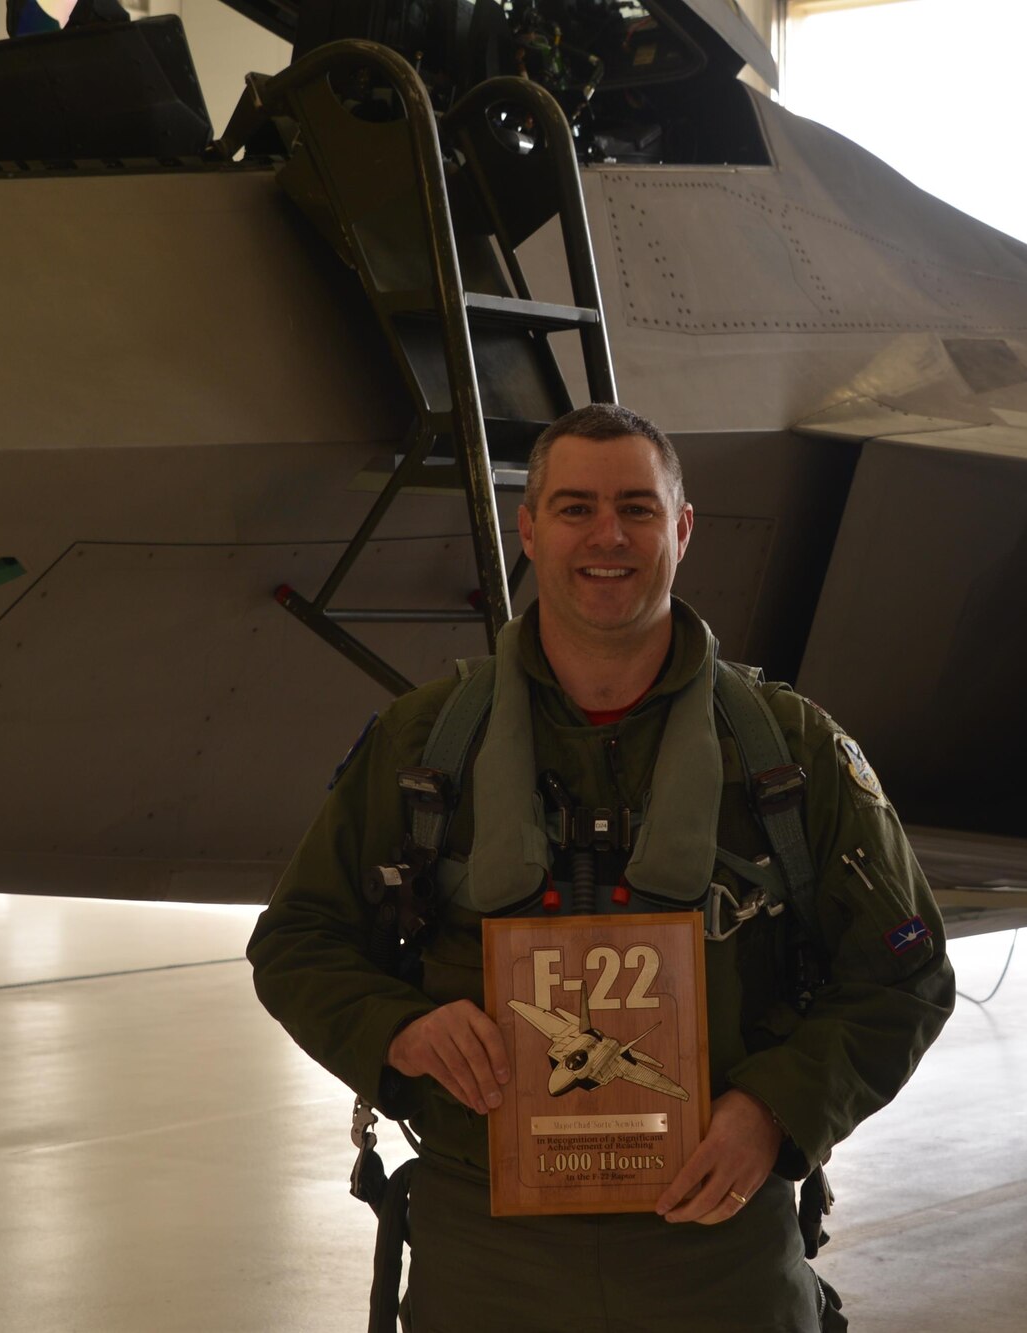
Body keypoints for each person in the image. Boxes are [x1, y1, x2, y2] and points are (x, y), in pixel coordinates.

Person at [248, 403, 954, 1332]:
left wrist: (776, 1111)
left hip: (717, 1244)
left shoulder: (787, 752)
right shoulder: (426, 742)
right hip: (487, 1247)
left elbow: (905, 976)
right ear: (530, 529)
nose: (608, 536)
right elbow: (297, 942)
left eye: (638, 508)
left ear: (682, 528)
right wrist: (400, 1031)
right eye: (576, 508)